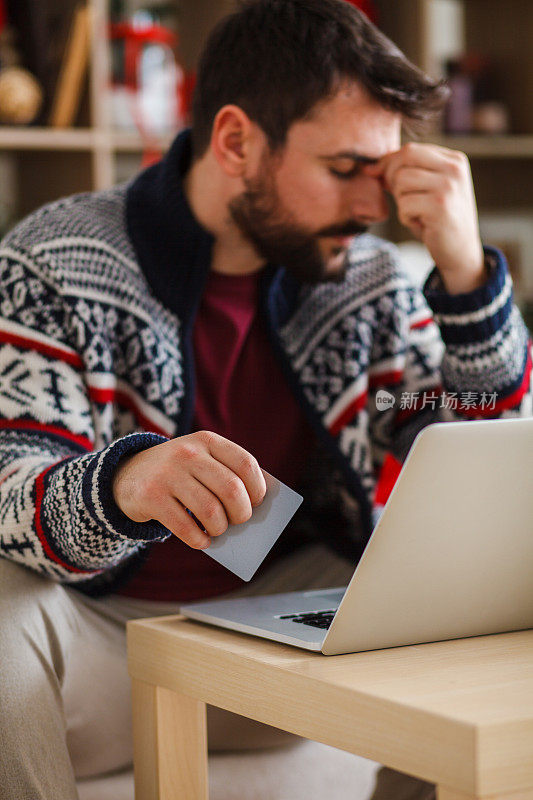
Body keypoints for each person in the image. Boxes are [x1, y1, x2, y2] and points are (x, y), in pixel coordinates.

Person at [0, 0, 531, 798]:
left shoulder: (369, 279)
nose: (371, 208)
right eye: (345, 169)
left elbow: (477, 461)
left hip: (292, 621)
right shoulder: (52, 259)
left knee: (489, 585)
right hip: (99, 631)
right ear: (237, 141)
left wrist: (465, 279)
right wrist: (121, 485)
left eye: (382, 172)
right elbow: (10, 486)